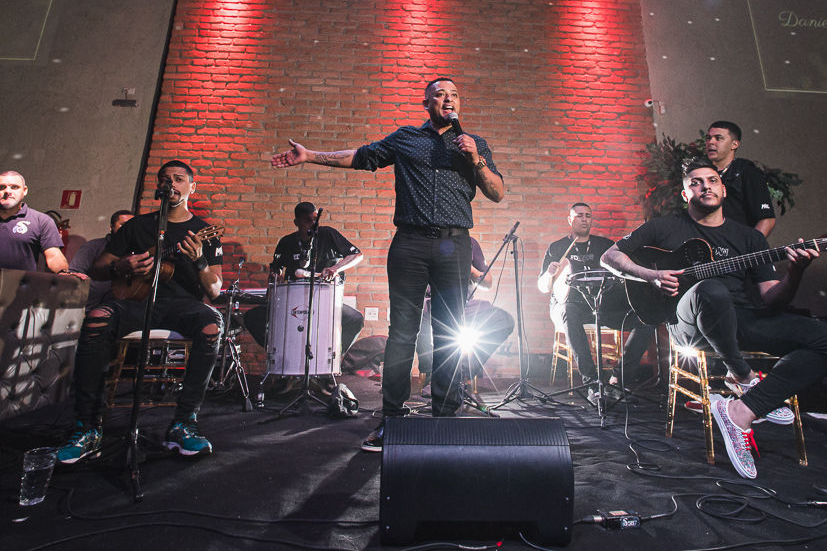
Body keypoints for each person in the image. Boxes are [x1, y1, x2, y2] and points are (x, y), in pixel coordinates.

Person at [271, 76, 506, 452]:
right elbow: (362, 157)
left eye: (454, 95)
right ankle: (392, 418)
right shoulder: (406, 138)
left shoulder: (473, 144)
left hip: (455, 244)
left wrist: (475, 159)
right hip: (410, 243)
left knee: (450, 331)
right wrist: (310, 155)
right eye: (440, 94)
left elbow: (497, 192)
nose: (448, 99)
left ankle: (444, 419)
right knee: (402, 333)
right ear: (427, 103)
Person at [601, 159, 827, 479]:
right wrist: (651, 275)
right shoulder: (663, 227)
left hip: (739, 318)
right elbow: (610, 256)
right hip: (687, 324)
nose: (706, 186)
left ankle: (742, 410)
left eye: (712, 180)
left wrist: (796, 272)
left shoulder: (749, 238)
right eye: (696, 182)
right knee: (711, 290)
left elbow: (772, 297)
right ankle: (742, 375)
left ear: (724, 189)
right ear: (685, 194)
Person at [56, 161, 225, 462]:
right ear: (158, 187)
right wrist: (119, 267)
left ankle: (184, 422)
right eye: (165, 179)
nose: (171, 183)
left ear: (192, 187)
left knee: (212, 324)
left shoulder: (203, 232)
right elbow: (98, 268)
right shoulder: (136, 226)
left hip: (182, 306)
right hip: (135, 302)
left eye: (179, 179)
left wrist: (199, 261)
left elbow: (214, 291)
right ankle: (88, 426)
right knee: (96, 318)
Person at [538, 203, 655, 389]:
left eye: (588, 215)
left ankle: (619, 379)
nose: (584, 219)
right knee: (569, 311)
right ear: (570, 220)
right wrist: (549, 274)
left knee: (646, 319)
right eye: (579, 216)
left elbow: (621, 276)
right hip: (567, 306)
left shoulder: (605, 245)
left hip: (600, 305)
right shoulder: (558, 247)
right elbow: (543, 287)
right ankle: (592, 381)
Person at [243, 201, 366, 357]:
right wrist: (275, 275)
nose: (313, 224)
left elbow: (356, 255)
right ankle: (278, 353)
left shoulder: (328, 234)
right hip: (292, 303)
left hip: (324, 301)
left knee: (355, 319)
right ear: (296, 222)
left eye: (315, 219)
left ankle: (332, 358)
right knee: (252, 317)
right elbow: (276, 268)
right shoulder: (286, 242)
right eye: (308, 220)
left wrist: (335, 269)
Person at [416, 237, 514, 390]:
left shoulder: (469, 243)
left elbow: (487, 283)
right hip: (431, 303)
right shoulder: (427, 240)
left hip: (463, 304)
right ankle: (432, 377)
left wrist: (470, 270)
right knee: (419, 317)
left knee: (504, 320)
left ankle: (462, 372)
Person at [703, 121, 777, 237]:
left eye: (718, 138)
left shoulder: (747, 172)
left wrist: (752, 245)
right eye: (708, 138)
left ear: (734, 144)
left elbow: (767, 219)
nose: (711, 142)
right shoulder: (701, 172)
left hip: (737, 241)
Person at [70, 210, 135, 307]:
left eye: (131, 225)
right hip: (89, 306)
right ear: (111, 227)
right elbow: (74, 274)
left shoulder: (136, 251)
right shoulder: (93, 246)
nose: (127, 228)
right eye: (123, 225)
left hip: (122, 306)